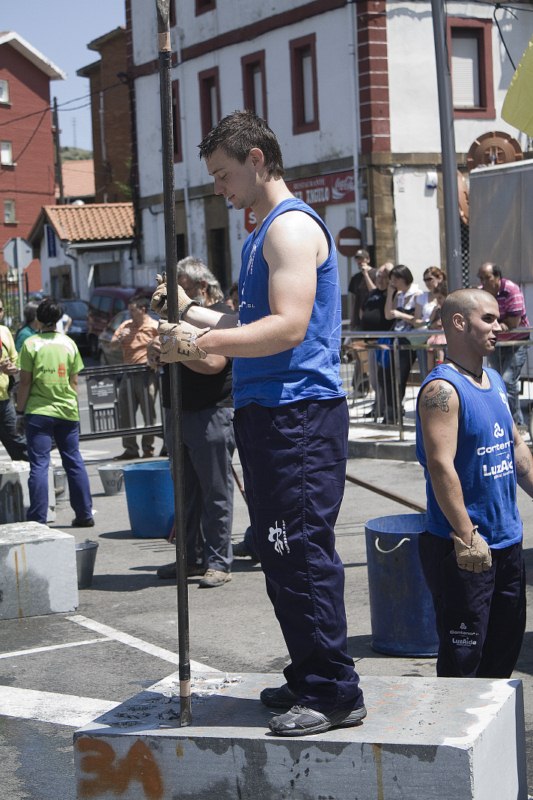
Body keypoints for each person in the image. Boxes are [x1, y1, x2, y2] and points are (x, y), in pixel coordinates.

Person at [152, 109, 366, 737]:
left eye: (223, 174)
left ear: (256, 159)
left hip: (298, 413)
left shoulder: (290, 229)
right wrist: (189, 314)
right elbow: (242, 327)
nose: (219, 187)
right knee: (276, 550)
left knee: (298, 549)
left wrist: (194, 343)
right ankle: (309, 671)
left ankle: (334, 691)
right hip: (269, 413)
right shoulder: (259, 236)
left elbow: (288, 327)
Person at [416, 288, 533, 678]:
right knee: (463, 667)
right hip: (465, 549)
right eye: (489, 319)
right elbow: (440, 466)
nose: (499, 327)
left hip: (507, 543)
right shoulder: (442, 391)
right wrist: (467, 536)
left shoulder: (494, 380)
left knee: (502, 657)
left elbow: (516, 450)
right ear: (459, 323)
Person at [155, 257, 235, 588]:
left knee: (215, 492)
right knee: (184, 492)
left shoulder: (220, 316)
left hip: (210, 411)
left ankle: (218, 561)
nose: (176, 300)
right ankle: (189, 557)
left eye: (182, 290)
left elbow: (214, 363)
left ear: (201, 287)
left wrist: (173, 350)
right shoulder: (177, 319)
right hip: (178, 411)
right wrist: (159, 352)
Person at [16, 298, 93, 526]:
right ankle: (84, 514)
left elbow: (25, 383)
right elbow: (74, 382)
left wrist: (20, 411)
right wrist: (70, 406)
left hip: (39, 412)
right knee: (73, 460)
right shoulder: (69, 344)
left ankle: (38, 518)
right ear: (59, 318)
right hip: (67, 411)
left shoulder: (31, 344)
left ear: (38, 319)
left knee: (40, 464)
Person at [477, 262, 530, 426]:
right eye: (481, 278)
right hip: (496, 341)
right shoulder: (480, 293)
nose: (483, 282)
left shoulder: (511, 290)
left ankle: (516, 424)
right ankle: (502, 420)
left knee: (507, 380)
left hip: (516, 342)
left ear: (497, 277)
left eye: (487, 278)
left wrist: (492, 322)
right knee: (497, 382)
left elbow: (514, 322)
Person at [112, 296, 159, 460]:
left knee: (149, 411)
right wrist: (120, 338)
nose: (130, 314)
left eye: (133, 310)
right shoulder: (126, 325)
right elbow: (111, 345)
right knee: (125, 412)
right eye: (129, 310)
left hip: (147, 373)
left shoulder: (154, 326)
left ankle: (148, 447)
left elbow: (164, 346)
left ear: (143, 310)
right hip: (128, 373)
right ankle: (130, 448)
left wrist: (155, 359)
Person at [380, 264, 421, 423]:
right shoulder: (399, 295)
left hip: (409, 340)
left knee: (400, 377)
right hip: (395, 339)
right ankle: (391, 412)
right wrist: (390, 294)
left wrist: (401, 314)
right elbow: (388, 315)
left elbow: (418, 320)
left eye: (395, 279)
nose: (393, 282)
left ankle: (395, 410)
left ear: (403, 278)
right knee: (388, 375)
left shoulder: (417, 294)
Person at [0, 299, 28, 461]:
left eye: (0, 309)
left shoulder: (4, 332)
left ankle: (38, 472)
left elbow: (15, 359)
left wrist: (13, 367)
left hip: (4, 399)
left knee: (18, 443)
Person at [413, 267, 446, 379]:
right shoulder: (422, 297)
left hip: (445, 337)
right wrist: (429, 324)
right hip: (426, 336)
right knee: (426, 370)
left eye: (429, 279)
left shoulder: (448, 294)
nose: (427, 282)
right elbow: (416, 321)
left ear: (439, 278)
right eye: (425, 280)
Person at [348, 248, 375, 330]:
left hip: (372, 316)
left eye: (362, 258)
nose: (359, 261)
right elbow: (353, 299)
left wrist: (366, 274)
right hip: (358, 320)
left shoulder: (376, 274)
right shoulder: (355, 278)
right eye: (357, 259)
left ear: (368, 260)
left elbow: (374, 292)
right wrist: (352, 318)